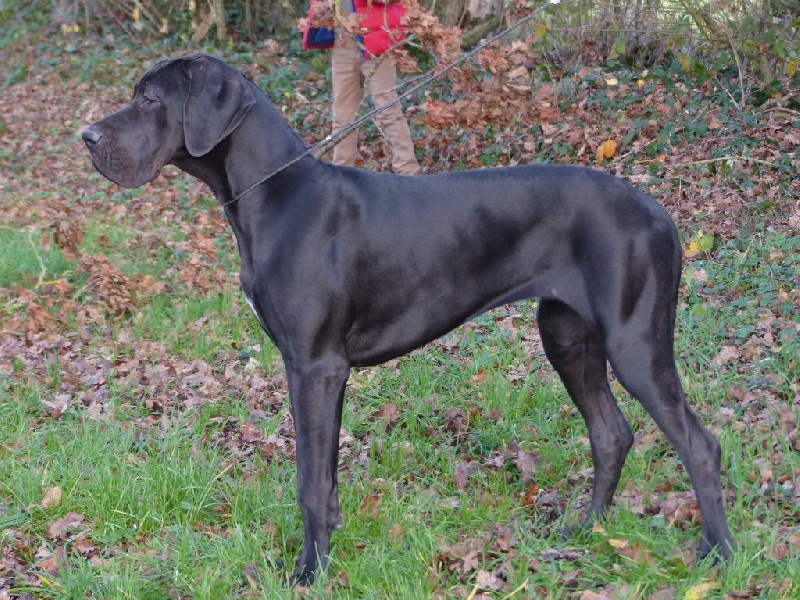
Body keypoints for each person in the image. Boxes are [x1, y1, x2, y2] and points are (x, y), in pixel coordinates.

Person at [303, 0, 421, 175]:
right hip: (343, 38)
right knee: (342, 114)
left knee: (387, 110)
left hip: (377, 37)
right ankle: (342, 174)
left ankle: (408, 172)